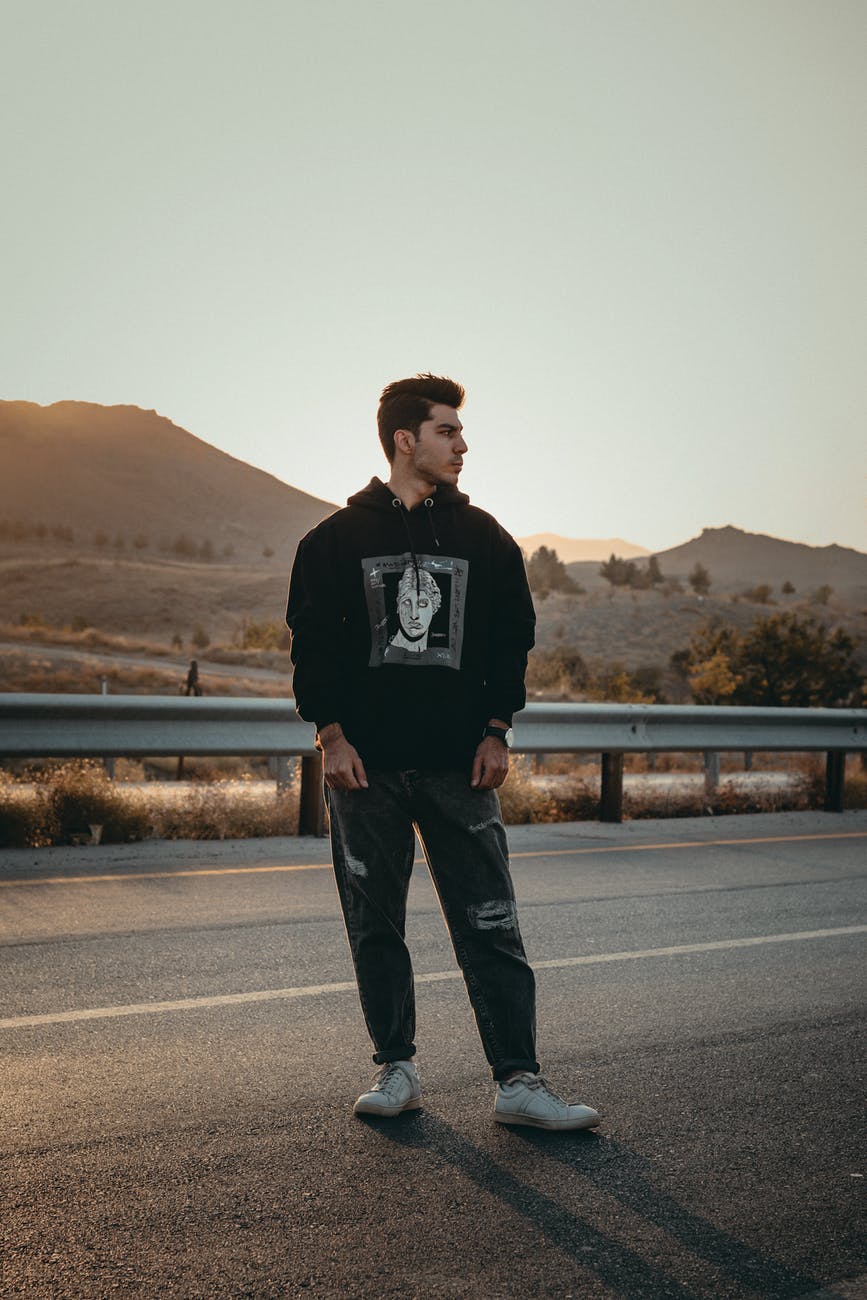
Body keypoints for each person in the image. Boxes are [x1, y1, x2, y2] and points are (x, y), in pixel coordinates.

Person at [286, 373, 599, 1130]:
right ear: (405, 440)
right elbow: (312, 648)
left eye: (459, 432)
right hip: (366, 770)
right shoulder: (334, 540)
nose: (462, 445)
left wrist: (497, 729)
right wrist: (329, 737)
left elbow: (509, 638)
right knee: (375, 922)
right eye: (446, 432)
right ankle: (395, 1069)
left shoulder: (484, 537)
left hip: (462, 763)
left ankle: (519, 1082)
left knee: (490, 918)